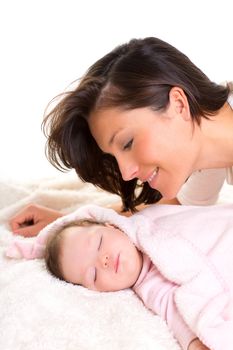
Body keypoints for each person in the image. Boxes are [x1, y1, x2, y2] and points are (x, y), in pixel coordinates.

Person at [9, 37, 233, 236]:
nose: (126, 174)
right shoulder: (207, 152)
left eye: (127, 143)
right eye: (114, 157)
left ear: (178, 104)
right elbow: (176, 205)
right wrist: (70, 223)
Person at [6, 203, 233, 350]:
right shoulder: (150, 286)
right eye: (93, 274)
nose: (102, 261)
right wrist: (195, 343)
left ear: (111, 225)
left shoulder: (145, 221)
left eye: (99, 242)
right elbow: (178, 314)